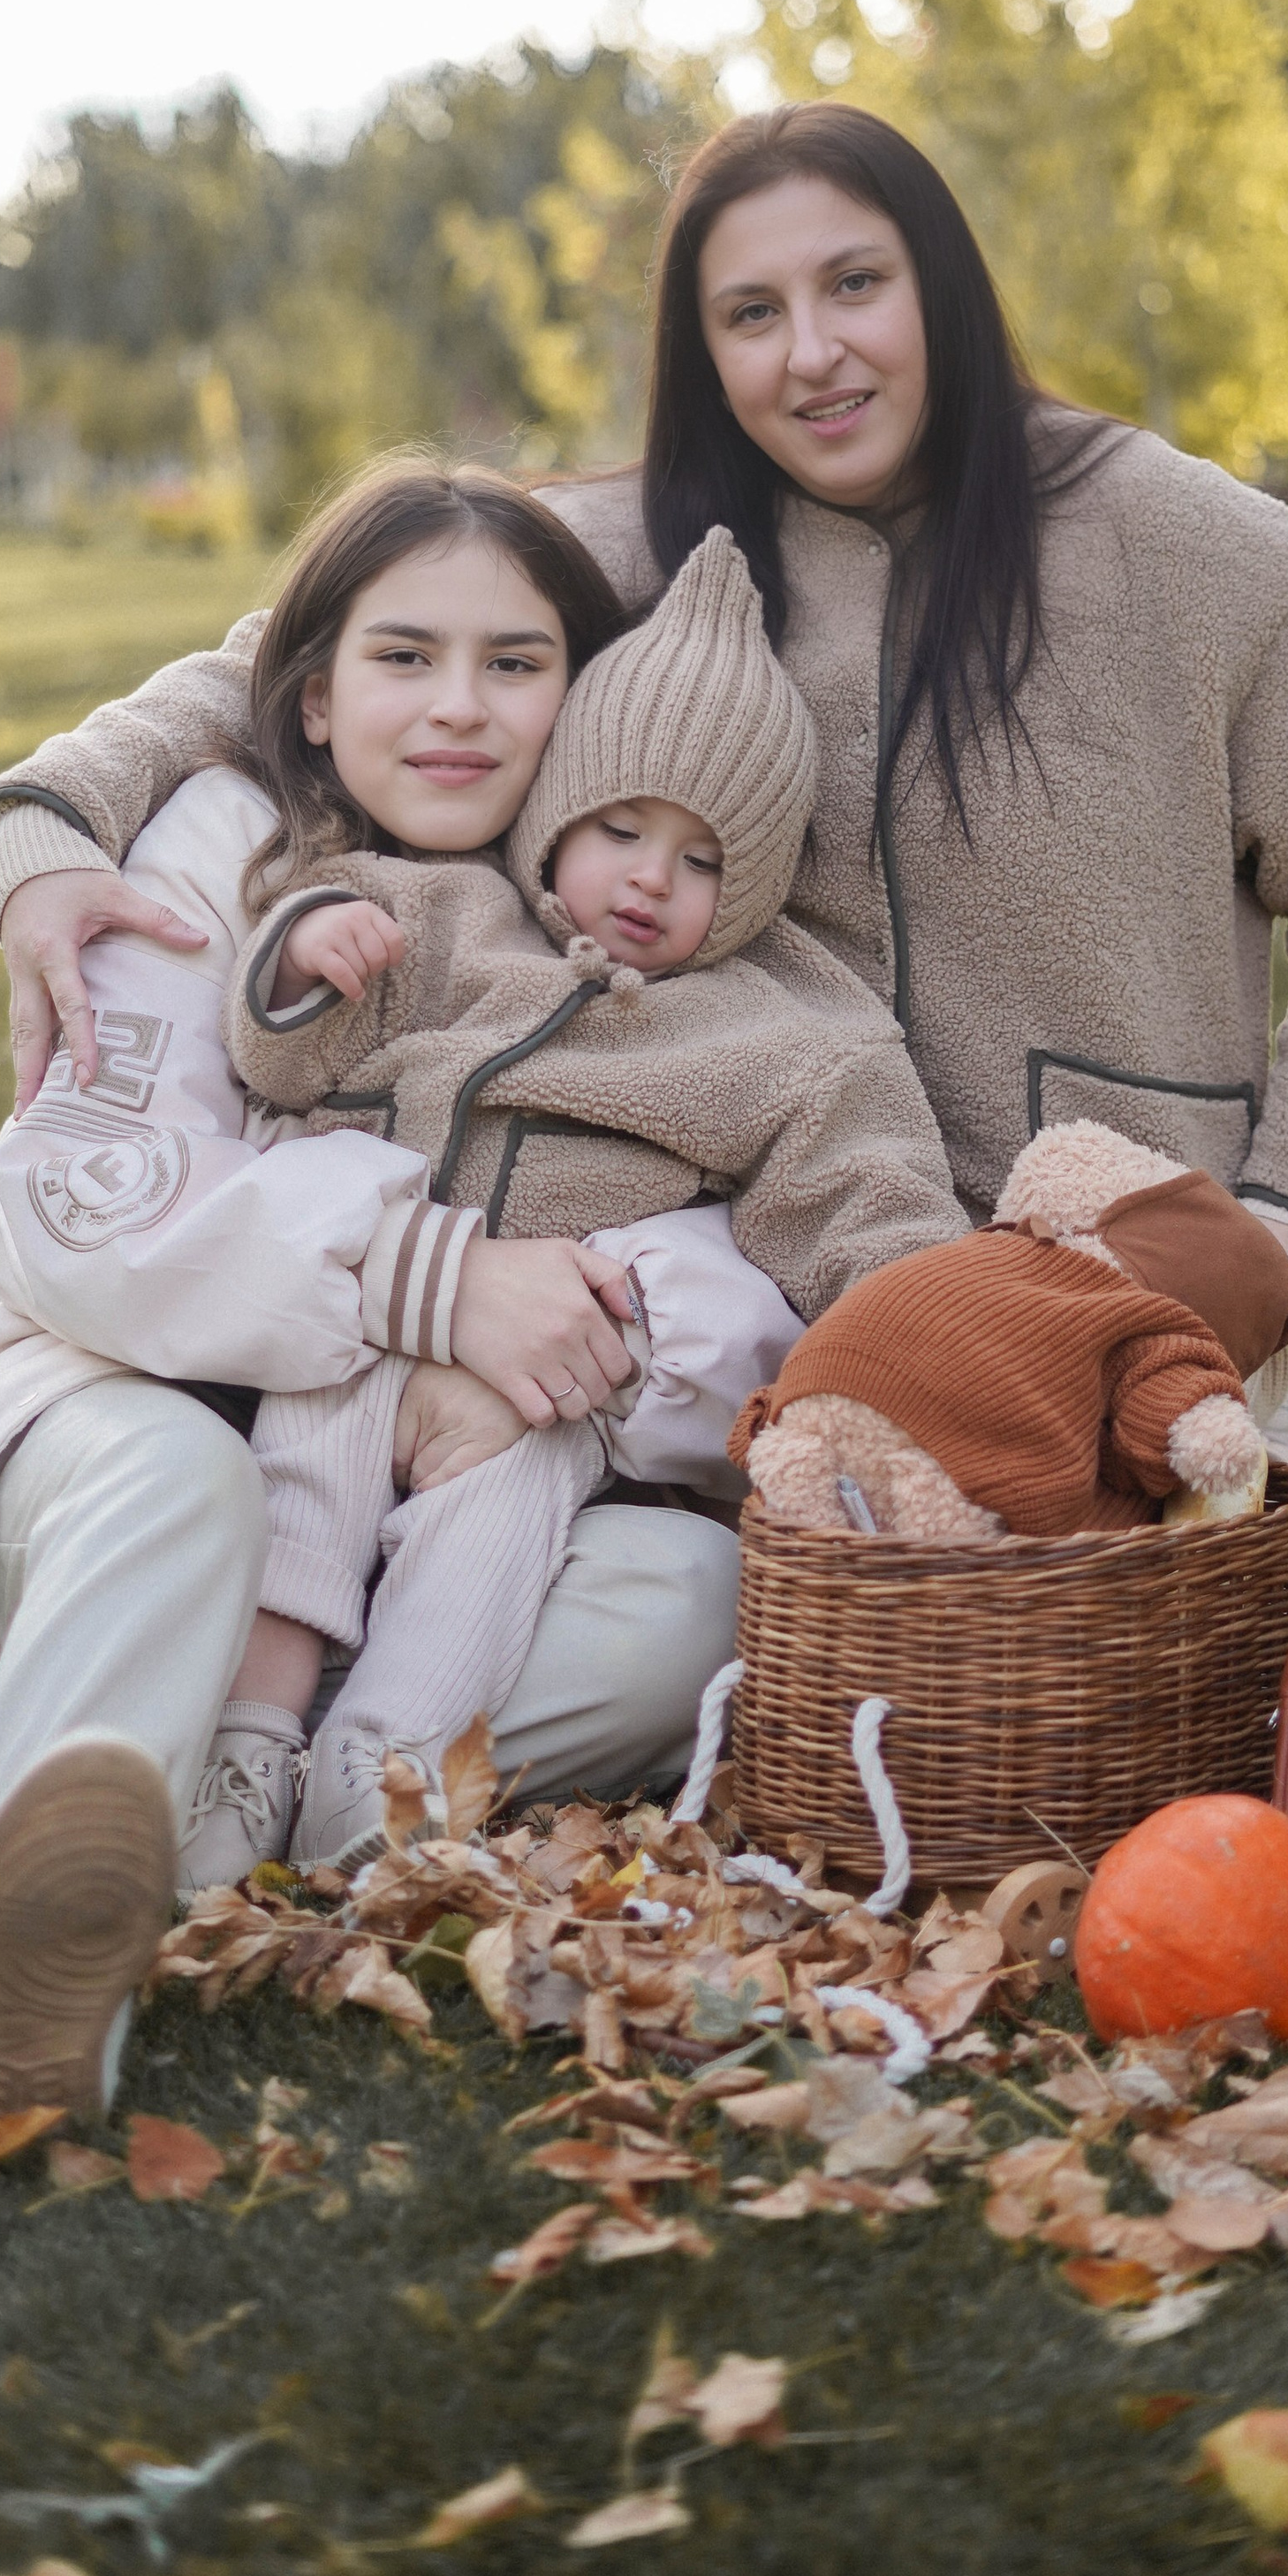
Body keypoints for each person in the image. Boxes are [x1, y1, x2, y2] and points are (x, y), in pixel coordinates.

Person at [0, 103, 1288, 1507]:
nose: (812, 355)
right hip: (769, 1313)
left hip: (1115, 1304)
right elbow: (282, 660)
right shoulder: (641, 551)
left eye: (858, 285)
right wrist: (44, 832)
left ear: (944, 291)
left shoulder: (1192, 550)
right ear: (704, 350)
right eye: (751, 315)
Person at [0, 464, 804, 2119]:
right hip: (113, 1424)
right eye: (405, 657)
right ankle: (48, 1943)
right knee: (190, 1487)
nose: (459, 711)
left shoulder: (611, 901)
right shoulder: (222, 845)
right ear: (315, 687)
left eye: (518, 664)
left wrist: (573, 1316)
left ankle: (112, 1747)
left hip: (434, 1509)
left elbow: (729, 1271)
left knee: (684, 1609)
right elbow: (87, 1211)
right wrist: (438, 1286)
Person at [216, 516, 962, 1875]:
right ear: (560, 809)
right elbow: (283, 1055)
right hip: (371, 1318)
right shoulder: (433, 915)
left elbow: (870, 1200)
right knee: (303, 1470)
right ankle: (248, 1742)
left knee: (483, 1551)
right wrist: (299, 957)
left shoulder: (779, 1028)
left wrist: (939, 1332)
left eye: (704, 862)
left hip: (553, 1395)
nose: (648, 881)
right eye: (619, 829)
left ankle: (374, 1782)